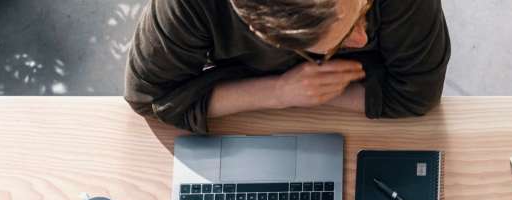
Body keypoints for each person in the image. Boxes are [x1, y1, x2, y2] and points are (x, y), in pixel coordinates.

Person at [125, 0, 451, 132]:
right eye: (338, 43)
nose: (363, 38)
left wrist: (322, 93)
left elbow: (417, 94)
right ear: (265, 33)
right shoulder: (191, 6)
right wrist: (280, 92)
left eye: (364, 8)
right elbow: (149, 98)